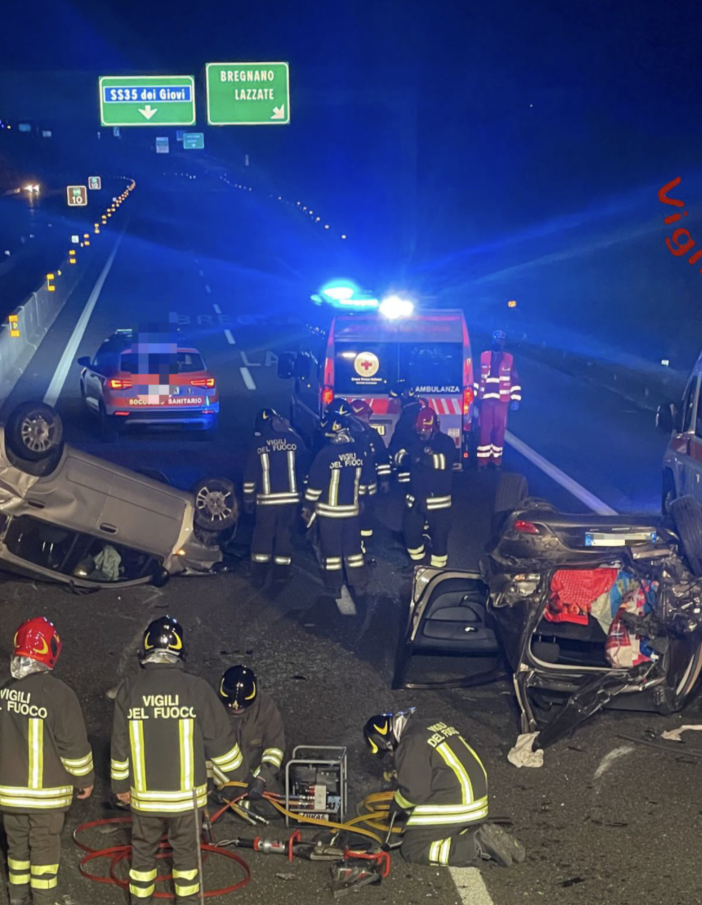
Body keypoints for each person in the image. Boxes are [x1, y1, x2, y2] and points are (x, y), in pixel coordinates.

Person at [111, 616, 246, 904]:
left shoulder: (130, 689)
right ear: (180, 651)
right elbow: (220, 741)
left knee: (142, 859)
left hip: (144, 799)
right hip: (186, 802)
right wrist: (238, 774)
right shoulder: (196, 689)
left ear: (145, 650)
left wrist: (120, 786)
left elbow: (120, 745)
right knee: (186, 862)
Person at [0, 617, 94, 905]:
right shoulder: (60, 695)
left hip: (8, 795)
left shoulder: (3, 689)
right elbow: (73, 747)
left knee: (17, 850)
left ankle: (17, 899)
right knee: (44, 854)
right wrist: (84, 779)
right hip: (46, 799)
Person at [363, 710, 525, 868]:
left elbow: (414, 794)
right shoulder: (432, 724)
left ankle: (475, 844)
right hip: (477, 799)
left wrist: (395, 808)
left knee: (413, 847)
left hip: (460, 804)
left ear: (386, 741)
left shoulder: (409, 743)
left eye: (389, 751)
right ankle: (479, 832)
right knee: (427, 822)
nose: (392, 755)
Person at [302, 412, 376, 605]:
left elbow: (315, 485)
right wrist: (361, 500)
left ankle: (334, 585)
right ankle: (359, 583)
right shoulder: (358, 451)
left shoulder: (325, 454)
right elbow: (365, 481)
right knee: (353, 550)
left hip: (329, 513)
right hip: (352, 512)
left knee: (331, 552)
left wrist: (307, 506)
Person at [243, 408, 308, 587]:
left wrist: (248, 500)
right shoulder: (294, 440)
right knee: (285, 536)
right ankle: (282, 574)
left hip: (266, 501)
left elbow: (250, 475)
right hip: (291, 501)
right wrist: (306, 498)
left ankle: (258, 574)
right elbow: (305, 468)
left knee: (262, 536)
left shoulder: (258, 444)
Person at [396, 408, 457, 568]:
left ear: (434, 428)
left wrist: (421, 459)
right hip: (414, 500)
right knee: (410, 535)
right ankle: (418, 565)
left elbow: (444, 462)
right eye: (420, 429)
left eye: (426, 430)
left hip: (438, 502)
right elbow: (398, 456)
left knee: (439, 538)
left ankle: (437, 569)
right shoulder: (412, 440)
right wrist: (408, 459)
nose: (422, 433)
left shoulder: (445, 442)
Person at [217, 665, 285, 808]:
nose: (235, 709)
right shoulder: (211, 707)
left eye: (241, 708)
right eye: (231, 708)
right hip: (220, 782)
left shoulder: (265, 709)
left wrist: (262, 778)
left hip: (255, 781)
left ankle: (243, 807)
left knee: (274, 809)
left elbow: (274, 749)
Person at [474, 330, 521, 468]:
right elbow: (476, 377)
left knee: (499, 432)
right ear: (492, 340)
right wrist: (472, 397)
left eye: (501, 340)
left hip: (502, 401)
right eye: (496, 339)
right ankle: (482, 461)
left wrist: (516, 399)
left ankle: (496, 460)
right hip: (486, 401)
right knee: (484, 430)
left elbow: (514, 380)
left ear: (504, 343)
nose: (498, 342)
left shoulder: (509, 359)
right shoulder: (483, 356)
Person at [388, 381, 426, 483]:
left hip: (409, 474)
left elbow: (396, 444)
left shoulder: (406, 420)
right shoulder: (418, 413)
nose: (395, 403)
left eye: (396, 400)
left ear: (403, 399)